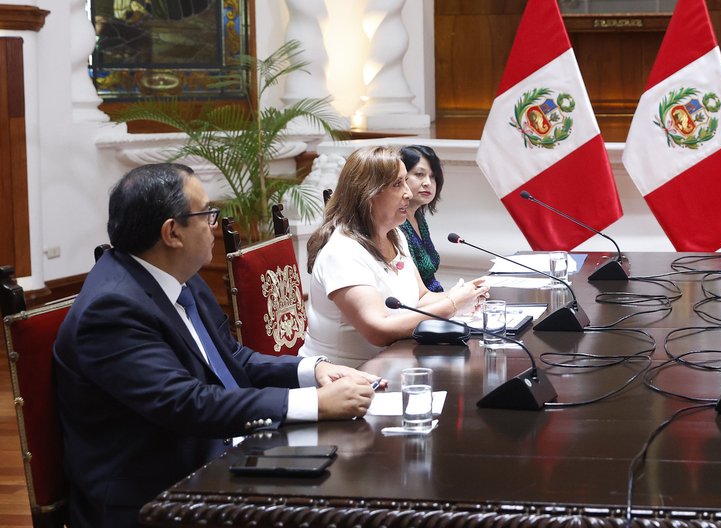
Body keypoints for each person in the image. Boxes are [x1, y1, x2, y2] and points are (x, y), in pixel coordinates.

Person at [54, 163, 378, 528]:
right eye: (207, 213)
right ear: (172, 232)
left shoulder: (179, 276)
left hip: (219, 452)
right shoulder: (112, 309)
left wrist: (313, 370)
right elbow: (185, 402)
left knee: (351, 476)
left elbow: (231, 358)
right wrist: (313, 403)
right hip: (158, 494)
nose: (215, 224)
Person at [300, 146, 488, 366]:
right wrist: (450, 305)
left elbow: (420, 298)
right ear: (369, 193)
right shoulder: (342, 252)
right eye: (398, 184)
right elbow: (378, 331)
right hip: (343, 374)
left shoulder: (395, 234)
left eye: (405, 182)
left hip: (391, 364)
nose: (408, 193)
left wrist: (466, 295)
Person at [400, 145, 445, 293]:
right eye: (419, 174)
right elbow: (410, 287)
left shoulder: (419, 218)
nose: (428, 183)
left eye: (432, 176)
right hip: (417, 301)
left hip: (434, 298)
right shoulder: (396, 225)